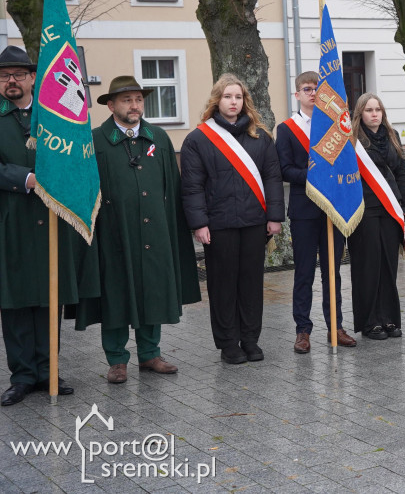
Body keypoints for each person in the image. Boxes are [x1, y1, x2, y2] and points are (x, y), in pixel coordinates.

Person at [76, 75, 200, 384]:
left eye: (138, 100)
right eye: (127, 100)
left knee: (152, 289)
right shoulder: (95, 140)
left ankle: (150, 354)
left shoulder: (158, 137)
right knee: (116, 292)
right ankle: (117, 359)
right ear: (111, 105)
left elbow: (172, 184)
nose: (135, 105)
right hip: (113, 233)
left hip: (154, 231)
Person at [0, 46, 98, 405]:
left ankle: (48, 371)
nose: (11, 81)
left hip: (50, 223)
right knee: (14, 303)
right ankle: (22, 376)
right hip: (10, 223)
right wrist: (25, 178)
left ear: (32, 79)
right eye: (3, 75)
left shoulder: (51, 116)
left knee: (48, 299)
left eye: (18, 75)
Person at [181, 74, 285, 364]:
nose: (233, 102)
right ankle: (229, 343)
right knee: (223, 285)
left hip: (254, 222)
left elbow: (272, 179)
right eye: (228, 96)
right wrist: (199, 224)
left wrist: (275, 217)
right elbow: (192, 186)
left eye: (238, 97)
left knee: (251, 284)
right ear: (217, 100)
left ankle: (250, 340)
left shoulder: (260, 136)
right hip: (219, 224)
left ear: (245, 101)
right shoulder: (198, 139)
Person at [276, 71, 356, 353]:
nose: (312, 93)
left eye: (316, 89)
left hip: (332, 209)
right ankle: (303, 331)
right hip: (304, 210)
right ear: (297, 94)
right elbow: (284, 169)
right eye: (307, 89)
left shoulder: (336, 127)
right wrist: (314, 177)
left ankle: (336, 327)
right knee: (305, 273)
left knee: (332, 272)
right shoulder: (286, 129)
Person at [348, 93, 405, 340]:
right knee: (368, 266)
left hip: (390, 208)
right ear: (360, 114)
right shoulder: (351, 139)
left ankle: (388, 319)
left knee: (388, 265)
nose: (375, 114)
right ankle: (370, 322)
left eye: (378, 110)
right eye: (369, 110)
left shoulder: (392, 136)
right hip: (363, 211)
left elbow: (402, 173)